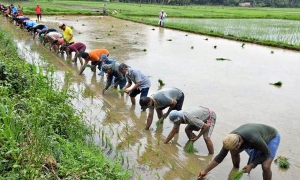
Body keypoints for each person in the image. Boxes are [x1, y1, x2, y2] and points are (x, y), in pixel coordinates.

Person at [198, 123, 280, 180]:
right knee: (234, 152)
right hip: (253, 135)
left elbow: (267, 153)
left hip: (271, 137)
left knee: (266, 166)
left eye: (234, 147)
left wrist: (251, 165)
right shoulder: (230, 139)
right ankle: (235, 168)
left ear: (239, 144)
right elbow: (220, 157)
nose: (231, 150)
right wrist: (205, 171)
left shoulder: (253, 139)